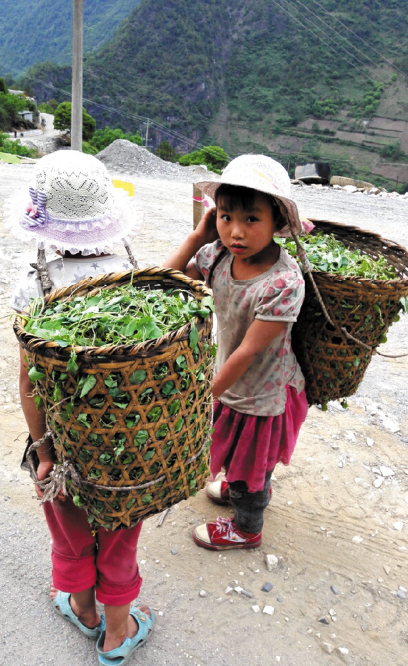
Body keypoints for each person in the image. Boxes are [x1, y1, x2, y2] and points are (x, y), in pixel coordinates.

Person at [5, 150, 154, 664]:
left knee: (68, 524)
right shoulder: (135, 278)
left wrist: (44, 451)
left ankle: (83, 607)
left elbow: (30, 382)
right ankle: (116, 634)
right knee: (118, 531)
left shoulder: (34, 286)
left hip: (65, 445)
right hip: (124, 442)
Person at [163, 154, 308, 550]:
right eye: (226, 217)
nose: (236, 232)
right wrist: (197, 238)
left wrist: (202, 395)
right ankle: (243, 489)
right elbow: (163, 285)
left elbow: (246, 351)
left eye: (251, 219)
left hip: (263, 392)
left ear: (277, 222)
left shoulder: (283, 282)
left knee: (252, 466)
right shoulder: (217, 257)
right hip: (229, 380)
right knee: (242, 458)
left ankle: (247, 527)